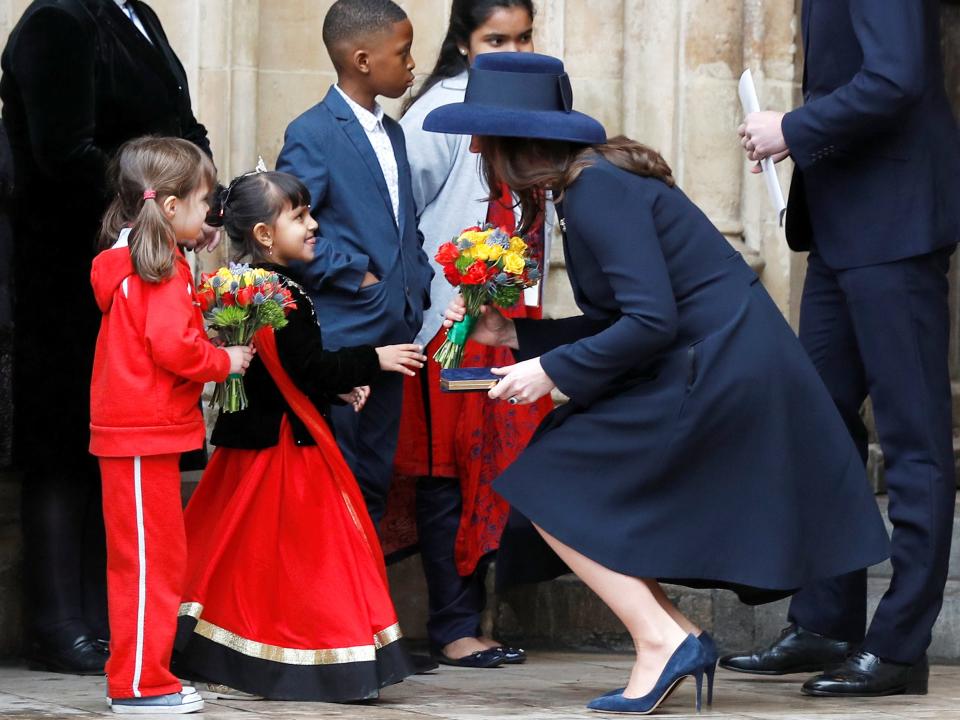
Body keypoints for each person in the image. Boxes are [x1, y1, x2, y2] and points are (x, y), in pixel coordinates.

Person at [425, 52, 891, 715]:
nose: (474, 151)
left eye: (481, 139)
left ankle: (660, 639)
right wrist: (515, 339)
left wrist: (548, 373)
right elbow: (621, 316)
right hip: (707, 361)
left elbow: (648, 320)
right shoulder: (587, 186)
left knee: (547, 482)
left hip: (718, 370)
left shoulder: (597, 191)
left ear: (508, 146)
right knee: (553, 478)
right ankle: (675, 637)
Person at [724, 0, 960, 697]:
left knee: (914, 441)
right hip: (841, 223)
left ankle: (897, 649)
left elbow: (894, 79)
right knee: (820, 418)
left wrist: (791, 127)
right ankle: (826, 619)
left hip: (895, 224)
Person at [0, 0, 216, 673]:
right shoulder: (57, 22)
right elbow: (62, 152)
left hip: (140, 257)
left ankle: (114, 619)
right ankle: (60, 621)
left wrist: (200, 195)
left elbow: (182, 123)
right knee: (62, 445)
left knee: (113, 459)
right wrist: (161, 207)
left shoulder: (139, 15)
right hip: (70, 275)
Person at [174, 170, 425, 702]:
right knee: (308, 557)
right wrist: (372, 359)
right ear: (265, 235)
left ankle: (235, 649)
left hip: (258, 438)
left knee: (246, 555)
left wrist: (334, 390)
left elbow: (276, 369)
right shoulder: (282, 291)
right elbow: (307, 367)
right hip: (289, 449)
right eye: (300, 216)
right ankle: (320, 655)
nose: (313, 226)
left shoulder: (249, 283)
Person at [394, 0, 547, 668]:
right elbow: (401, 218)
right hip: (450, 328)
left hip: (513, 326)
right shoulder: (440, 113)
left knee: (503, 468)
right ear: (463, 43)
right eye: (496, 40)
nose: (512, 52)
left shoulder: (538, 104)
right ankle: (454, 626)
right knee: (447, 472)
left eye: (523, 37)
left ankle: (477, 617)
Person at [89, 136, 253, 714]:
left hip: (144, 434)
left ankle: (147, 675)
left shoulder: (143, 259)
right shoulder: (155, 270)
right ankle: (137, 685)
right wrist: (223, 361)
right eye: (205, 202)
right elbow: (174, 347)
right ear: (172, 205)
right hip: (140, 435)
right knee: (145, 566)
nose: (212, 213)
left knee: (156, 562)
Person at [275, 0, 433, 527]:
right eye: (403, 52)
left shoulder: (396, 133)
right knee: (336, 475)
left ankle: (365, 602)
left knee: (373, 477)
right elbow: (291, 231)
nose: (413, 64)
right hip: (346, 333)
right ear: (363, 60)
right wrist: (360, 276)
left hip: (396, 327)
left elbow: (402, 221)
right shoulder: (312, 132)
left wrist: (419, 279)